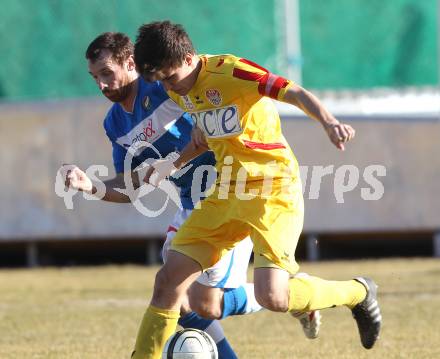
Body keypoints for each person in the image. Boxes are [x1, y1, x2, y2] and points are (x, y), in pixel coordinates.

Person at [131, 21, 382, 359]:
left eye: (168, 76)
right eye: (159, 79)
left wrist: (329, 122)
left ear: (189, 57)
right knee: (168, 282)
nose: (165, 85)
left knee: (273, 297)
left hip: (272, 189)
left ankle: (358, 292)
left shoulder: (232, 72)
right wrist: (170, 165)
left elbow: (290, 90)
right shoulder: (178, 89)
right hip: (226, 191)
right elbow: (204, 136)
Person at [60, 32, 320, 359]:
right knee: (184, 299)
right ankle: (286, 301)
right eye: (95, 77)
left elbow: (209, 83)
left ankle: (296, 294)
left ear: (131, 64)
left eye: (107, 74)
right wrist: (90, 186)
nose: (102, 84)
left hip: (226, 196)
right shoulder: (115, 124)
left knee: (194, 299)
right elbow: (133, 185)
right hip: (189, 205)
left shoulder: (165, 85)